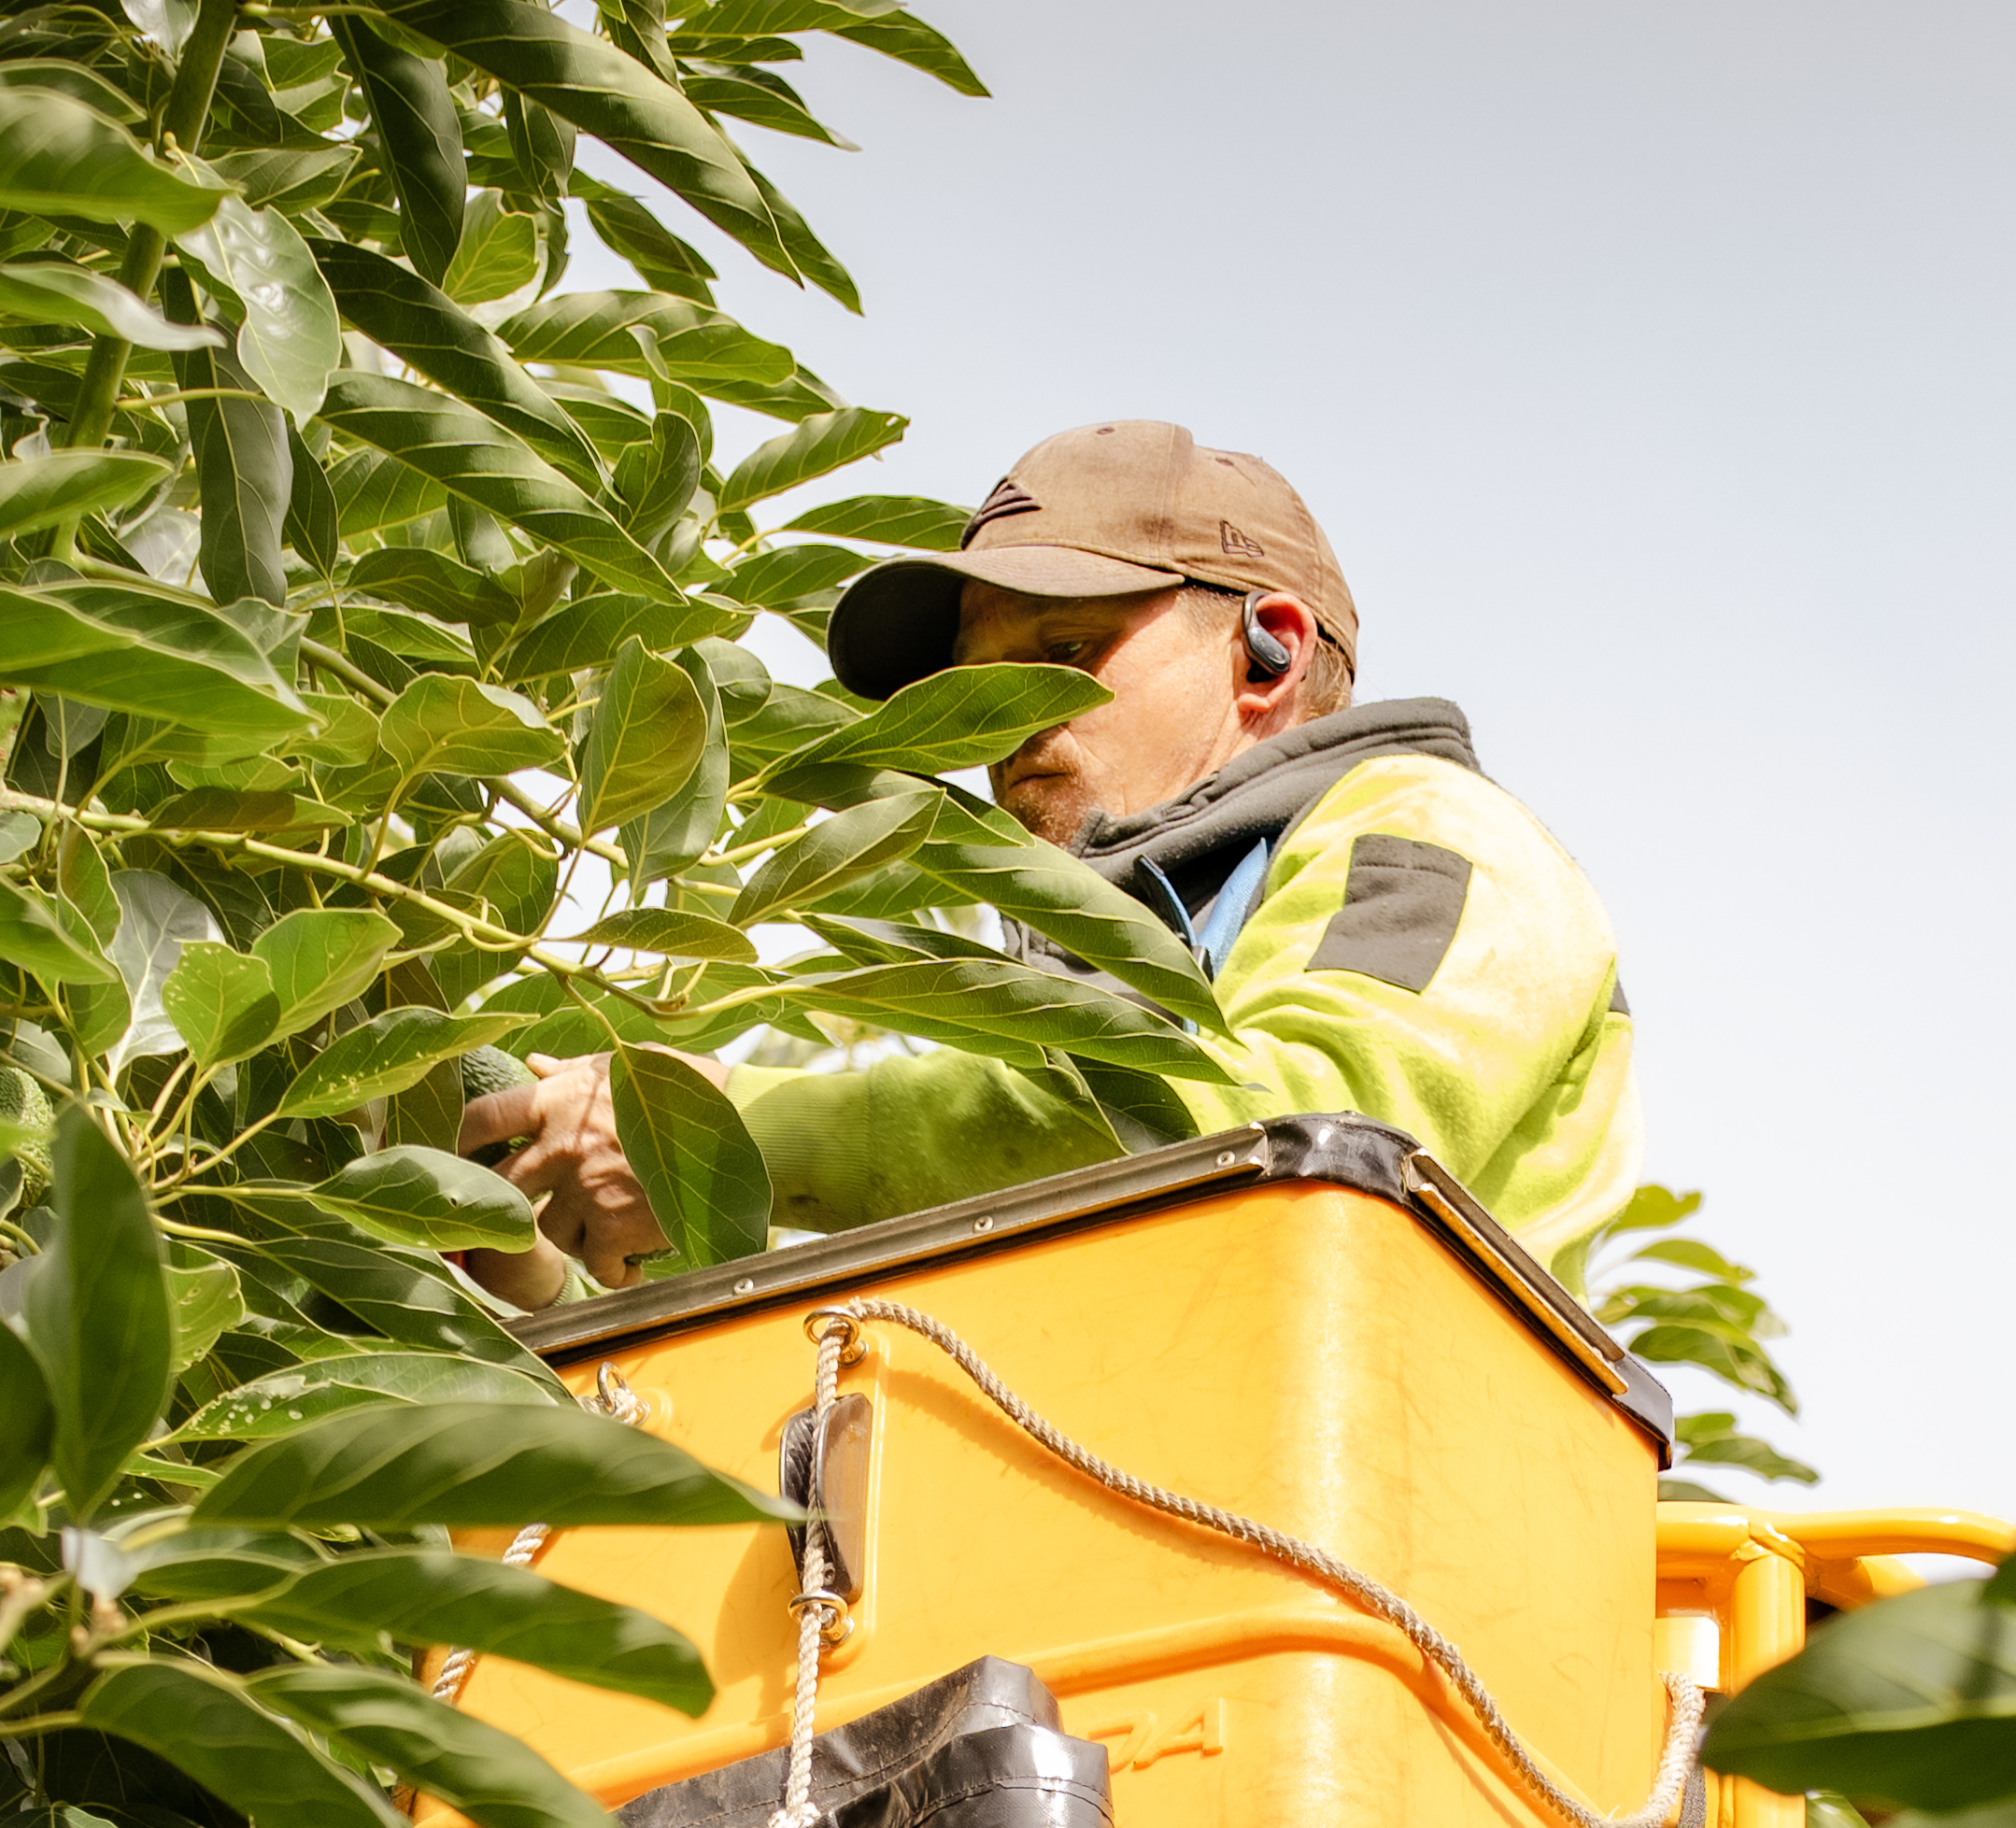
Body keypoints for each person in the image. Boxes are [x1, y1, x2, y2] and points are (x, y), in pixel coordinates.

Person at [461, 423, 1637, 1270]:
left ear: (1267, 651)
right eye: (978, 689)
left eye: (1064, 654)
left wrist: (740, 1125)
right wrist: (536, 1241)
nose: (1003, 723)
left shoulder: (1432, 833)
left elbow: (1303, 1129)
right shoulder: (1097, 950)